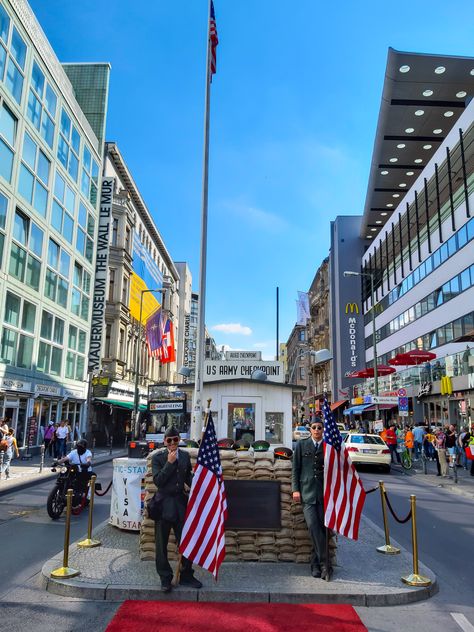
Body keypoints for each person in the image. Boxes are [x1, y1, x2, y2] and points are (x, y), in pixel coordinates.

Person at [152, 426, 202, 593]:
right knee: (161, 544)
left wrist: (199, 482)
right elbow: (158, 481)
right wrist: (169, 463)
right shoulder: (158, 457)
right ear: (164, 442)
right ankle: (165, 578)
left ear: (179, 439)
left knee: (186, 541)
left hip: (180, 504)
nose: (173, 443)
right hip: (163, 504)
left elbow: (188, 478)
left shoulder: (185, 456)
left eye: (175, 439)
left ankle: (186, 574)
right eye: (169, 440)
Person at [292, 419, 331, 580]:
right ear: (310, 429)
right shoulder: (301, 445)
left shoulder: (328, 447)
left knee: (322, 529)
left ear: (323, 430)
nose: (316, 430)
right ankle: (325, 564)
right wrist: (295, 489)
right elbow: (296, 468)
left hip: (324, 494)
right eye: (314, 428)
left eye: (319, 428)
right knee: (313, 526)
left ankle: (315, 564)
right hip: (307, 493)